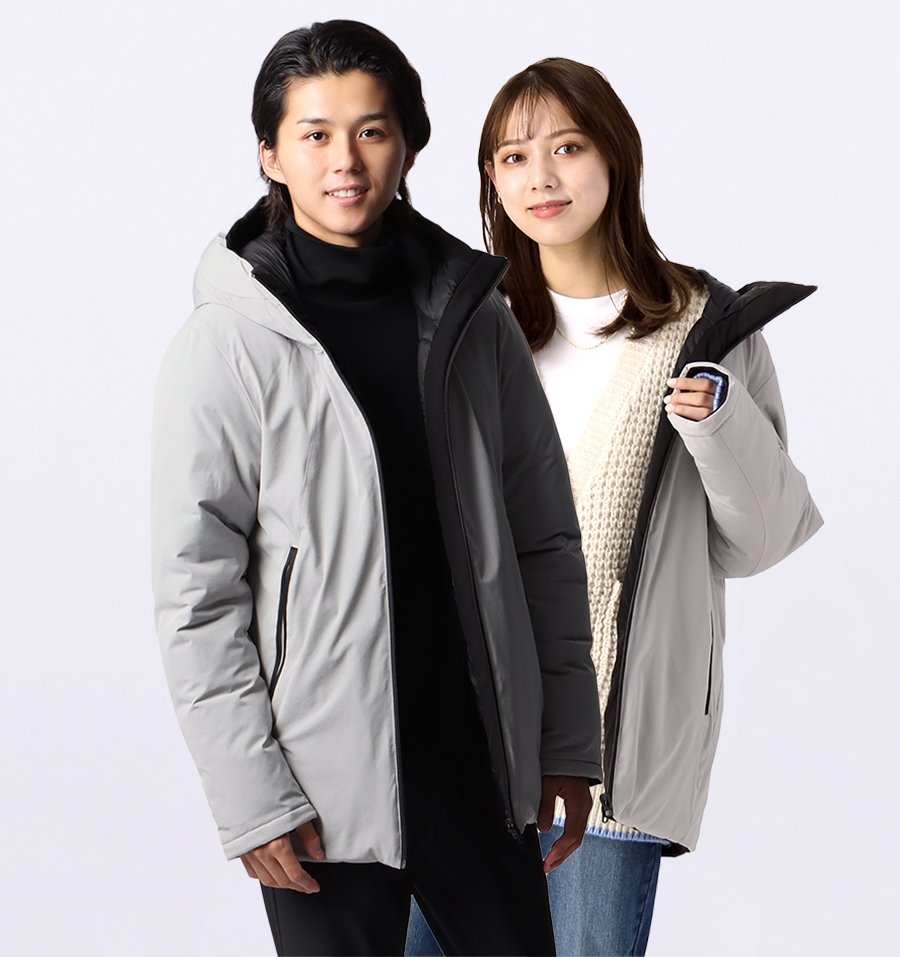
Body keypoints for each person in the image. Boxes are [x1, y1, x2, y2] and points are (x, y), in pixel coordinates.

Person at [150, 23, 603, 957]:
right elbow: (196, 592)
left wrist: (564, 740)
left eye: (371, 130)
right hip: (322, 796)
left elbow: (544, 542)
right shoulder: (227, 342)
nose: (345, 161)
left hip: (482, 769)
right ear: (270, 154)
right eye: (314, 134)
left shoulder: (475, 318)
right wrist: (251, 795)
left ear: (409, 143)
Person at [406, 58, 823, 957]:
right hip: (463, 742)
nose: (541, 177)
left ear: (616, 157)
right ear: (491, 180)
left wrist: (717, 423)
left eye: (567, 147)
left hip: (612, 752)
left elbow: (761, 540)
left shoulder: (702, 326)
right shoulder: (462, 329)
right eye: (513, 156)